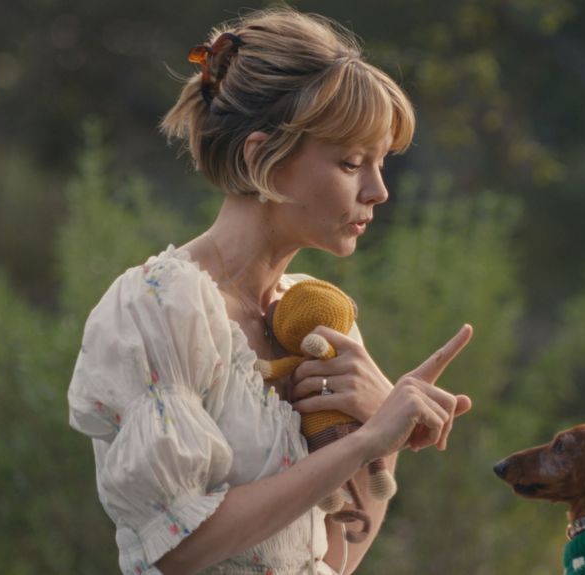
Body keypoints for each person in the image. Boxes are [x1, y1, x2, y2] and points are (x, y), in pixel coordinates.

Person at [66, 7, 473, 575]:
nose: (378, 191)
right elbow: (178, 547)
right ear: (263, 158)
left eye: (380, 164)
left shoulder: (316, 314)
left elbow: (332, 558)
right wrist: (364, 443)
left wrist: (380, 441)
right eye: (352, 163)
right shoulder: (160, 305)